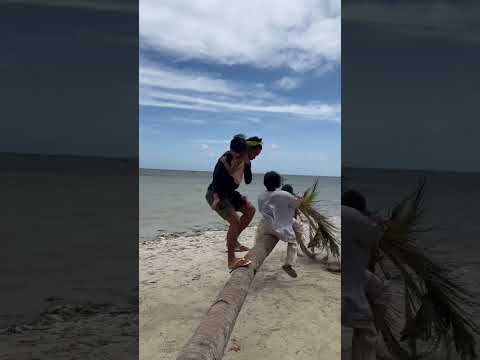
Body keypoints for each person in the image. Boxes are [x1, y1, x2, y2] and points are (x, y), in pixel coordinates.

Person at [205, 135, 256, 270]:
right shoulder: (226, 158)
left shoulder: (245, 160)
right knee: (235, 220)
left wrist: (248, 165)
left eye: (241, 154)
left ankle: (232, 241)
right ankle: (231, 260)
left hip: (230, 194)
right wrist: (216, 197)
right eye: (237, 154)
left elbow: (249, 180)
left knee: (250, 210)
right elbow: (216, 178)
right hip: (216, 193)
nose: (238, 156)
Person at [257, 172, 302, 278]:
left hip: (265, 225)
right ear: (278, 183)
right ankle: (288, 263)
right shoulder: (283, 194)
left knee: (259, 238)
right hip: (279, 226)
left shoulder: (261, 195)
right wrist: (300, 198)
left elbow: (261, 209)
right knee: (293, 242)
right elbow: (295, 205)